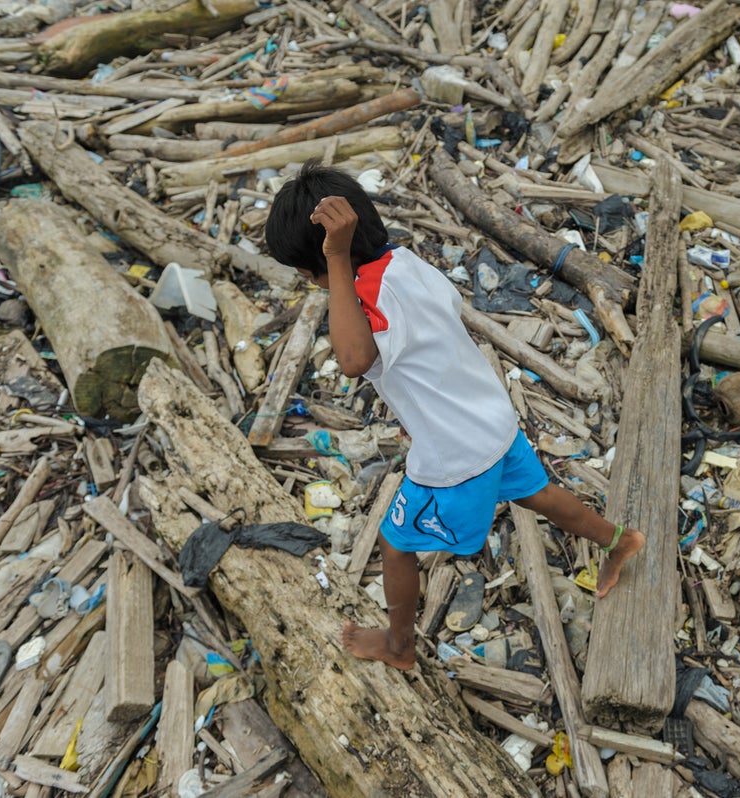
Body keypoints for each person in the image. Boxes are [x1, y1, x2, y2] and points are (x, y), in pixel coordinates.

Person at [266, 163, 644, 670]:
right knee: (538, 494)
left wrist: (334, 261)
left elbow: (354, 362)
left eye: (308, 272)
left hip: (456, 453)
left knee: (395, 545)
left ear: (328, 257)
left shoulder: (365, 293)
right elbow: (423, 350)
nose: (315, 283)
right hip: (490, 420)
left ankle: (399, 647)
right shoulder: (404, 263)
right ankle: (620, 541)